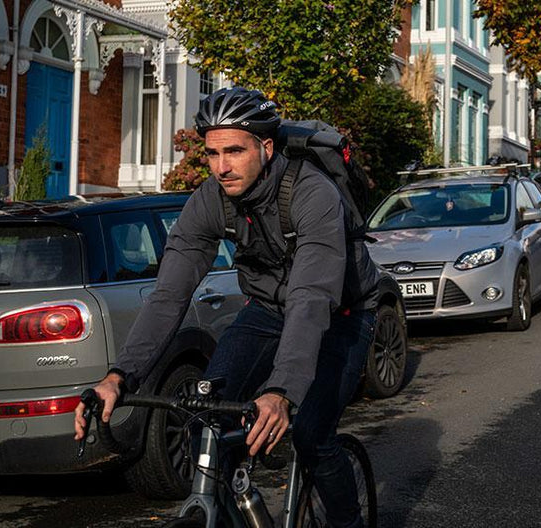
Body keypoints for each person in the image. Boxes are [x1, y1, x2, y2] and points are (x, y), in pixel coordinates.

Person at [74, 87, 381, 528]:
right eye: (213, 153)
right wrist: (120, 375)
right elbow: (169, 294)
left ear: (266, 147)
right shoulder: (211, 199)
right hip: (267, 310)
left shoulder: (312, 193)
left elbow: (311, 297)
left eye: (234, 151)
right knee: (205, 422)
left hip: (342, 316)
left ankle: (347, 523)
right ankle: (238, 501)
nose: (221, 167)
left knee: (311, 435)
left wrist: (281, 392)